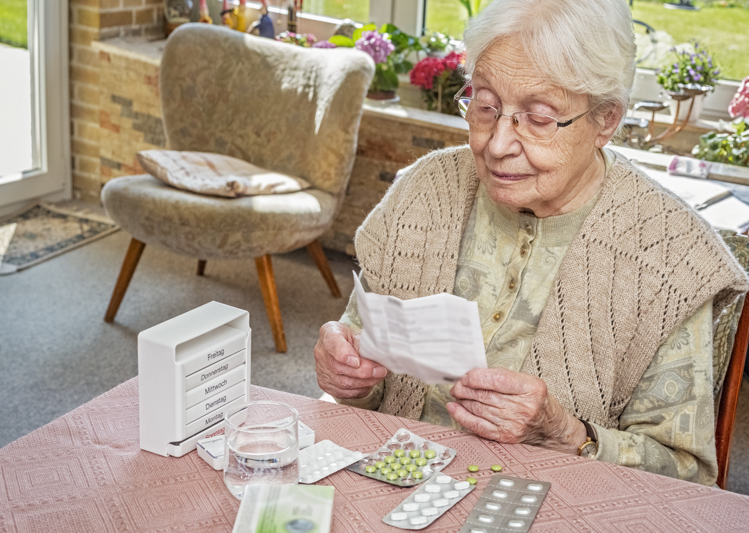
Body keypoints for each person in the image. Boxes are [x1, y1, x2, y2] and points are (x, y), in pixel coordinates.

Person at [313, 0, 748, 485]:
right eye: (485, 106)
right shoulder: (424, 192)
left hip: (546, 503)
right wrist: (347, 373)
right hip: (393, 477)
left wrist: (566, 434)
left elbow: (688, 478)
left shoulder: (671, 258)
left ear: (605, 121)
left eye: (538, 118)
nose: (497, 144)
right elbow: (362, 363)